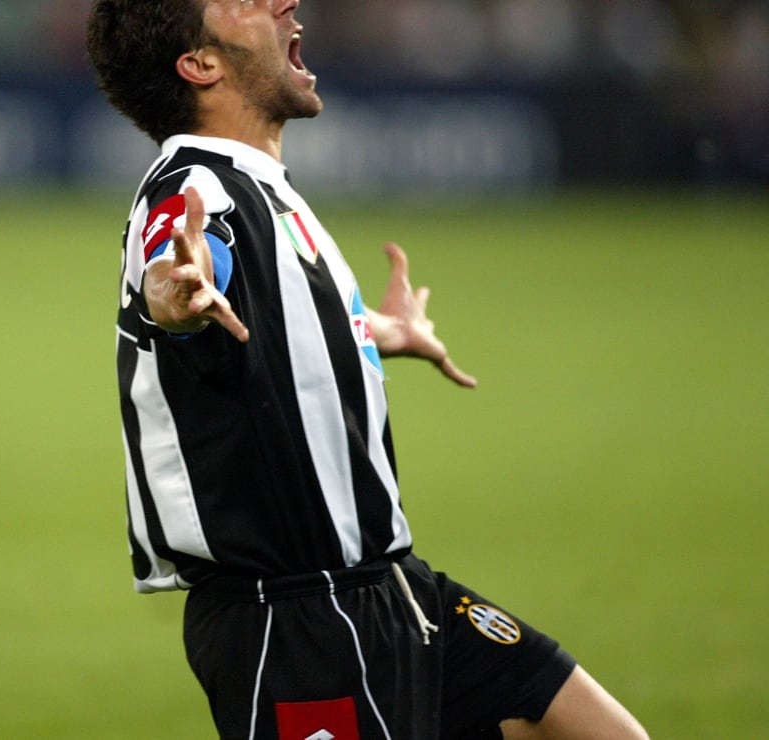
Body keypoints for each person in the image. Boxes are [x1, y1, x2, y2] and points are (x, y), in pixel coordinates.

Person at [87, 1, 650, 738]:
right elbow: (177, 267)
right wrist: (174, 295)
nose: (283, 2)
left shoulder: (264, 188)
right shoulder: (195, 189)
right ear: (201, 64)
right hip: (295, 626)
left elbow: (278, 325)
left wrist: (374, 332)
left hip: (394, 590)